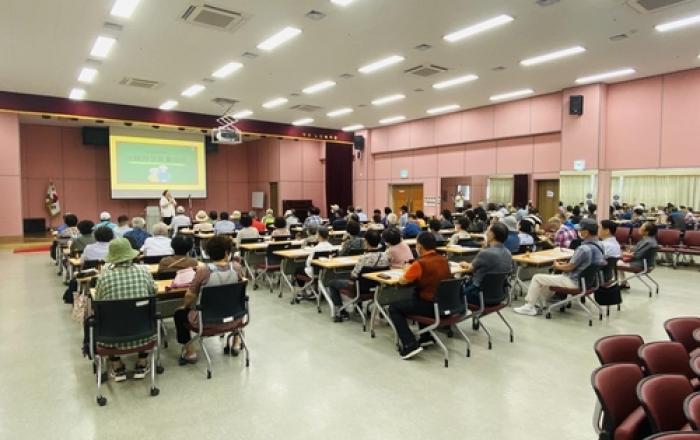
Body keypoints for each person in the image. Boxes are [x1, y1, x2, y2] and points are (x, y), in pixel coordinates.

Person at [174, 235, 245, 363]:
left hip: (207, 321)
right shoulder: (237, 267)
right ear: (227, 252)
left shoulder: (203, 271)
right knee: (233, 303)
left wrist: (185, 306)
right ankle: (236, 342)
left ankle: (190, 353)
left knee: (179, 314)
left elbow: (190, 295)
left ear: (208, 253)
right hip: (234, 318)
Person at [93, 237, 156, 381]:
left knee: (106, 316)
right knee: (143, 312)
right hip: (145, 333)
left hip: (110, 337)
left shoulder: (103, 277)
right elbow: (152, 293)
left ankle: (116, 364)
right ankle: (142, 361)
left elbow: (99, 302)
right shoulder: (144, 272)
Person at [514, 218, 605, 316]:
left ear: (586, 232)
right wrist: (563, 265)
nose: (579, 232)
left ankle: (529, 306)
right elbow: (582, 265)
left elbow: (570, 267)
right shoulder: (600, 245)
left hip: (573, 281)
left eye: (580, 230)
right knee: (548, 279)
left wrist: (557, 266)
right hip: (587, 282)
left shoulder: (583, 249)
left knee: (537, 278)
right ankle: (539, 303)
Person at [388, 232, 452, 359]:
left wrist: (407, 270)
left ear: (420, 247)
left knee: (394, 308)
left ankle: (410, 344)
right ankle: (426, 336)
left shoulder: (420, 263)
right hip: (445, 305)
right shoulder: (444, 260)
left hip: (430, 305)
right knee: (417, 297)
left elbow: (403, 281)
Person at [327, 230, 390, 322]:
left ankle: (340, 311)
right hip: (377, 288)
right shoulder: (385, 256)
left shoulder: (363, 258)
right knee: (360, 280)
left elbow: (353, 275)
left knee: (332, 283)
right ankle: (357, 307)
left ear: (366, 241)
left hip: (359, 289)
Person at [459, 223, 513, 306]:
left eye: (488, 231)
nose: (486, 233)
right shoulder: (508, 253)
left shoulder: (486, 253)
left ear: (492, 235)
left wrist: (466, 264)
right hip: (500, 296)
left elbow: (471, 268)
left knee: (452, 292)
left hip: (478, 296)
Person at [619, 222, 658, 288]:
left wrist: (621, 254)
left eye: (641, 227)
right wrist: (628, 250)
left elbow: (636, 255)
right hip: (643, 263)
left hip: (641, 265)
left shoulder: (648, 242)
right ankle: (624, 283)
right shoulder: (647, 240)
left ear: (647, 232)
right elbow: (635, 250)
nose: (639, 229)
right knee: (618, 261)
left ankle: (622, 283)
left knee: (614, 263)